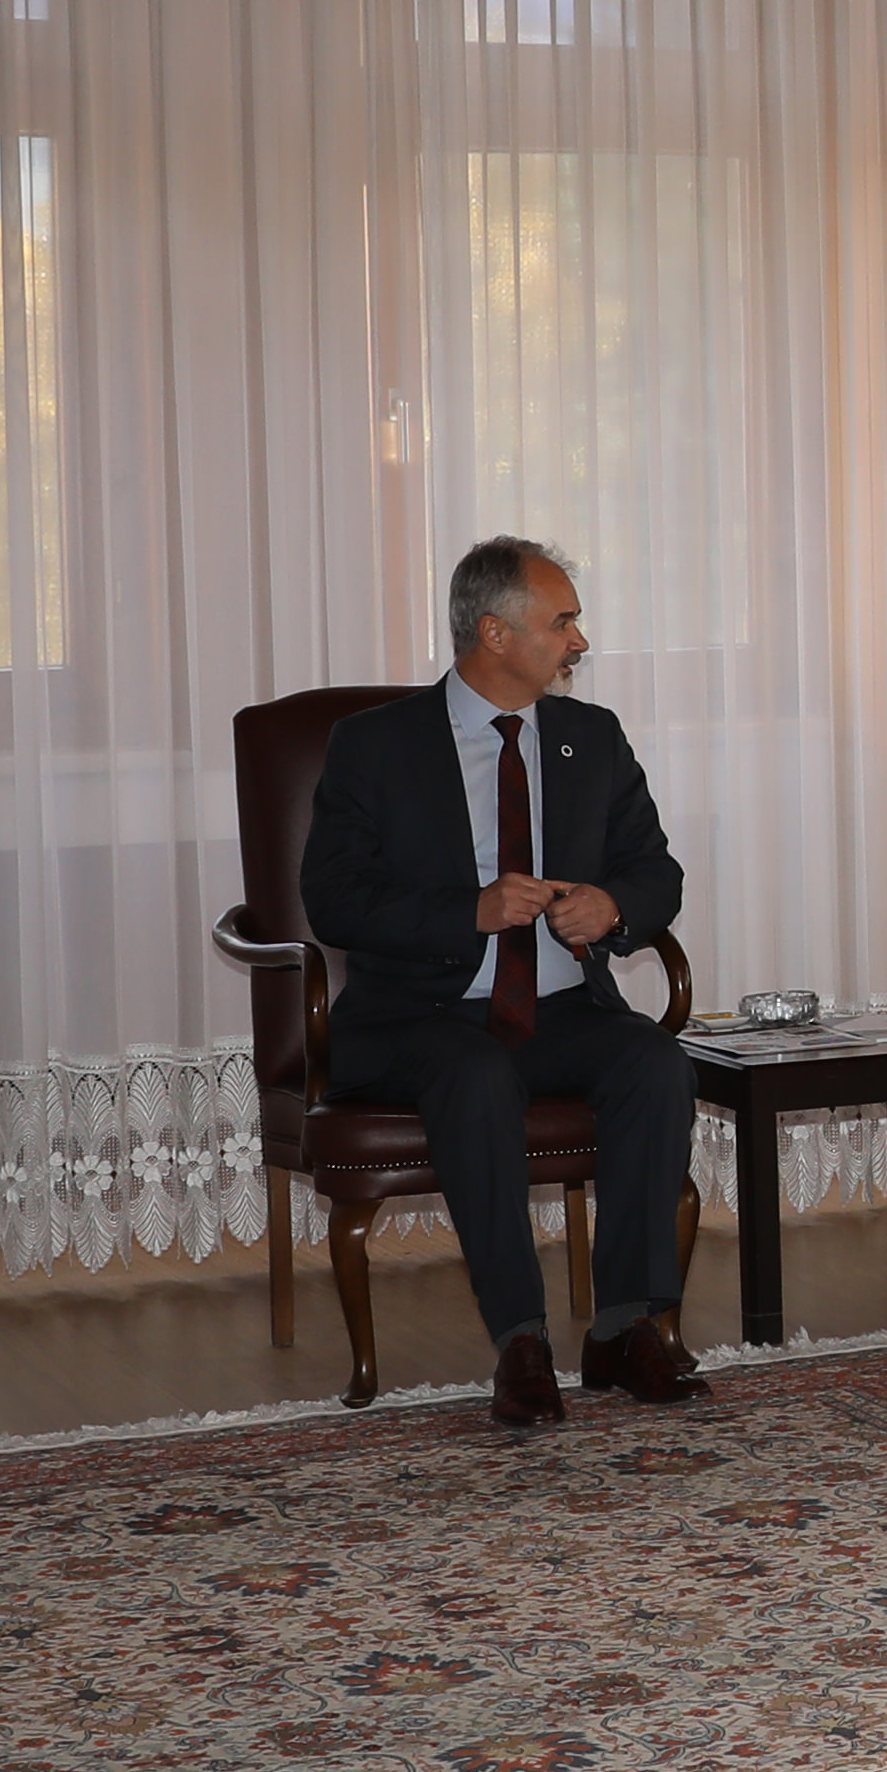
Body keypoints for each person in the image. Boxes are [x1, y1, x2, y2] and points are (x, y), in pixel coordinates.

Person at [297, 535, 701, 1430]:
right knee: (476, 1074)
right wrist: (467, 912)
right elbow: (334, 899)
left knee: (653, 1062)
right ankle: (522, 1341)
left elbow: (655, 870)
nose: (578, 642)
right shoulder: (376, 745)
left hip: (559, 1006)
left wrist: (612, 906)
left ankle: (626, 1327)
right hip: (418, 1016)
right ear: (495, 633)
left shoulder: (591, 737)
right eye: (563, 622)